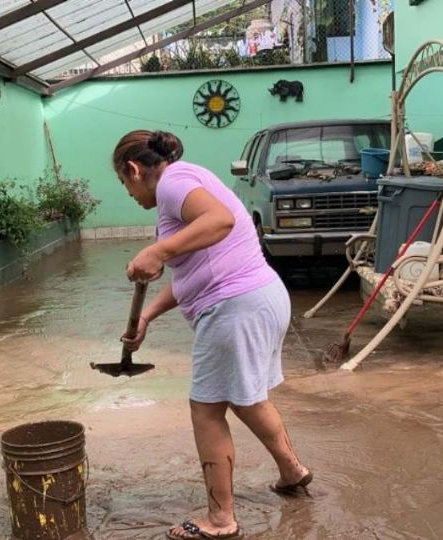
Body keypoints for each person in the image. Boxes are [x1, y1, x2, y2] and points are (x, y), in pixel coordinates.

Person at [112, 130, 312, 540]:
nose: (129, 194)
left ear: (133, 169)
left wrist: (158, 252)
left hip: (236, 306)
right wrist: (147, 315)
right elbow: (195, 273)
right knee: (248, 398)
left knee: (206, 410)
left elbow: (220, 220)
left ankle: (221, 520)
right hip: (261, 296)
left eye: (124, 183)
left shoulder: (172, 184)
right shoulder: (189, 177)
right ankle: (293, 471)